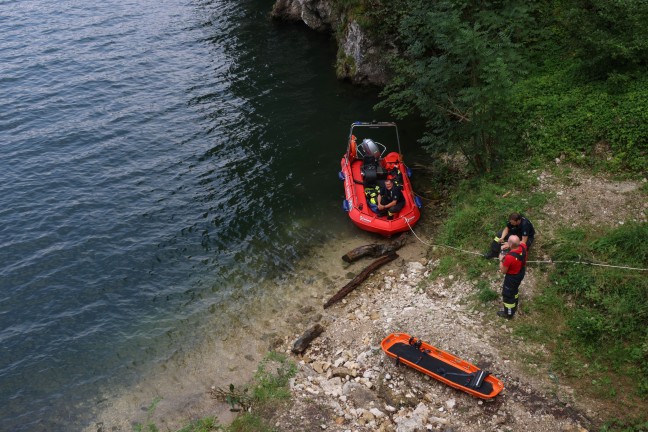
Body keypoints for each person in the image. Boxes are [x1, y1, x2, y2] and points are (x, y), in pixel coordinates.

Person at [497, 235, 527, 319]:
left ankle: (509, 313)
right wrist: (509, 244)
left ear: (510, 244)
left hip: (512, 278)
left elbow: (503, 271)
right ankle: (515, 303)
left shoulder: (509, 257)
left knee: (508, 294)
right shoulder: (523, 247)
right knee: (514, 290)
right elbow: (521, 242)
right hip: (521, 272)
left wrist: (500, 260)